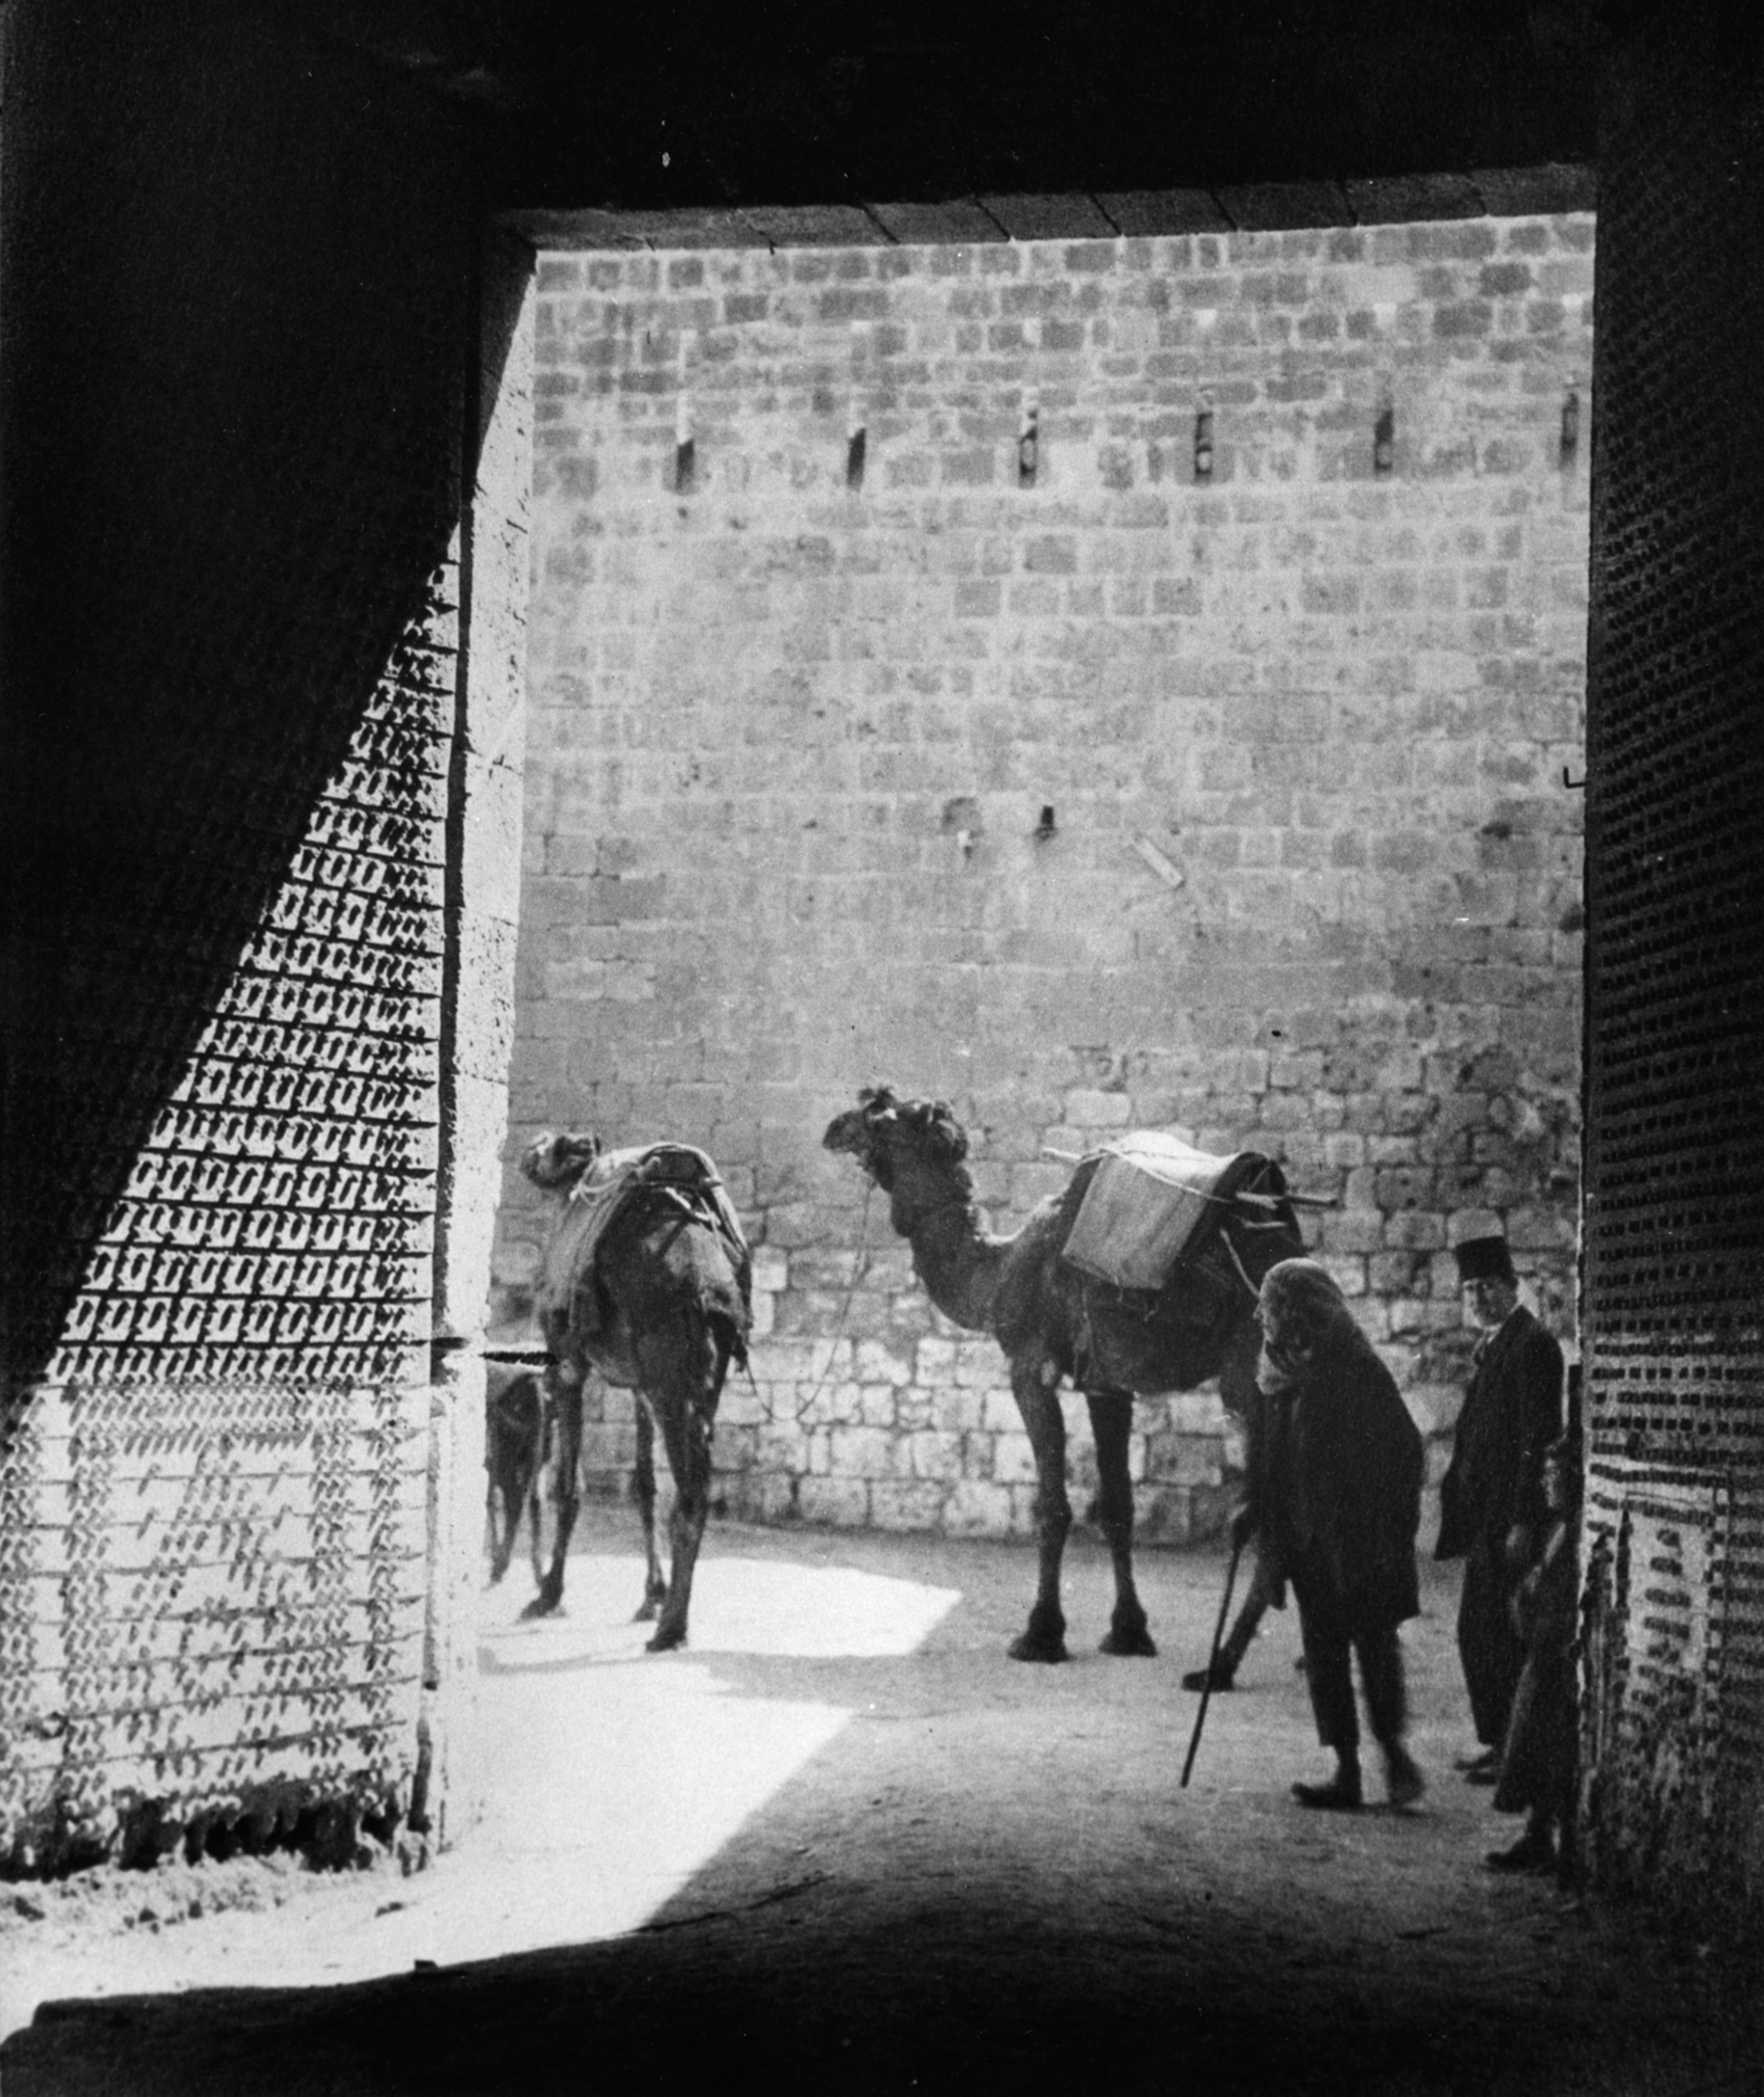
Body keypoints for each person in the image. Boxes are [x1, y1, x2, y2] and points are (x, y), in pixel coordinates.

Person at [1234, 1258, 1426, 1811]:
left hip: (1355, 1542)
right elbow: (1268, 1453)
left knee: (1374, 1646)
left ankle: (1395, 1758)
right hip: (1304, 1541)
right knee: (1323, 1655)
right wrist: (1252, 1506)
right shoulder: (1276, 1374)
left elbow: (1405, 1452)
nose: (1261, 1316)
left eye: (1271, 1305)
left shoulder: (1355, 1370)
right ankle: (1346, 1771)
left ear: (1297, 1312)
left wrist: (1381, 1527)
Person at [1435, 1236, 1565, 1785]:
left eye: (1488, 1287)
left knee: (1496, 1635)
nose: (1479, 1298)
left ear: (1513, 1287)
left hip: (1508, 1518)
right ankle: (1499, 1742)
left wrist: (1523, 1521)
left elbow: (1536, 1440)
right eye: (1470, 1289)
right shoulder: (1498, 1344)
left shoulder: (1532, 1344)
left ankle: (1513, 1751)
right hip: (1487, 1516)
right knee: (1480, 1632)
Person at [1486, 1395, 1582, 1877]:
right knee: (1537, 1747)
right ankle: (1539, 1835)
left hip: (1556, 1661)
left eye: (1554, 1475)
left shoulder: (1577, 1531)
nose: (1546, 1483)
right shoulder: (1559, 1527)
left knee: (1553, 1750)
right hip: (1542, 1658)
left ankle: (1553, 1841)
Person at [1182, 1378, 1289, 1693]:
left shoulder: (1273, 1391)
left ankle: (1228, 1663)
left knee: (1271, 1568)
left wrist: (1253, 1508)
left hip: (1309, 1495)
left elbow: (1268, 1455)